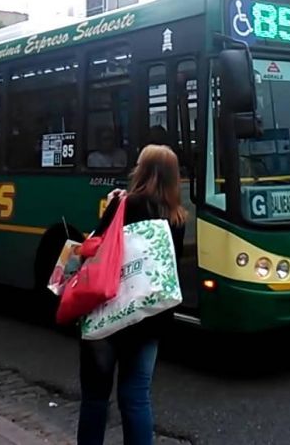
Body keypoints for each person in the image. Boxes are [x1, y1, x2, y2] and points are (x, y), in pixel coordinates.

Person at [78, 145, 186, 445]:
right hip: (150, 316)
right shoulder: (177, 217)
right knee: (136, 396)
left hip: (110, 310)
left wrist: (114, 204)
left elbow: (96, 246)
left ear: (142, 170)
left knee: (96, 397)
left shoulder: (125, 203)